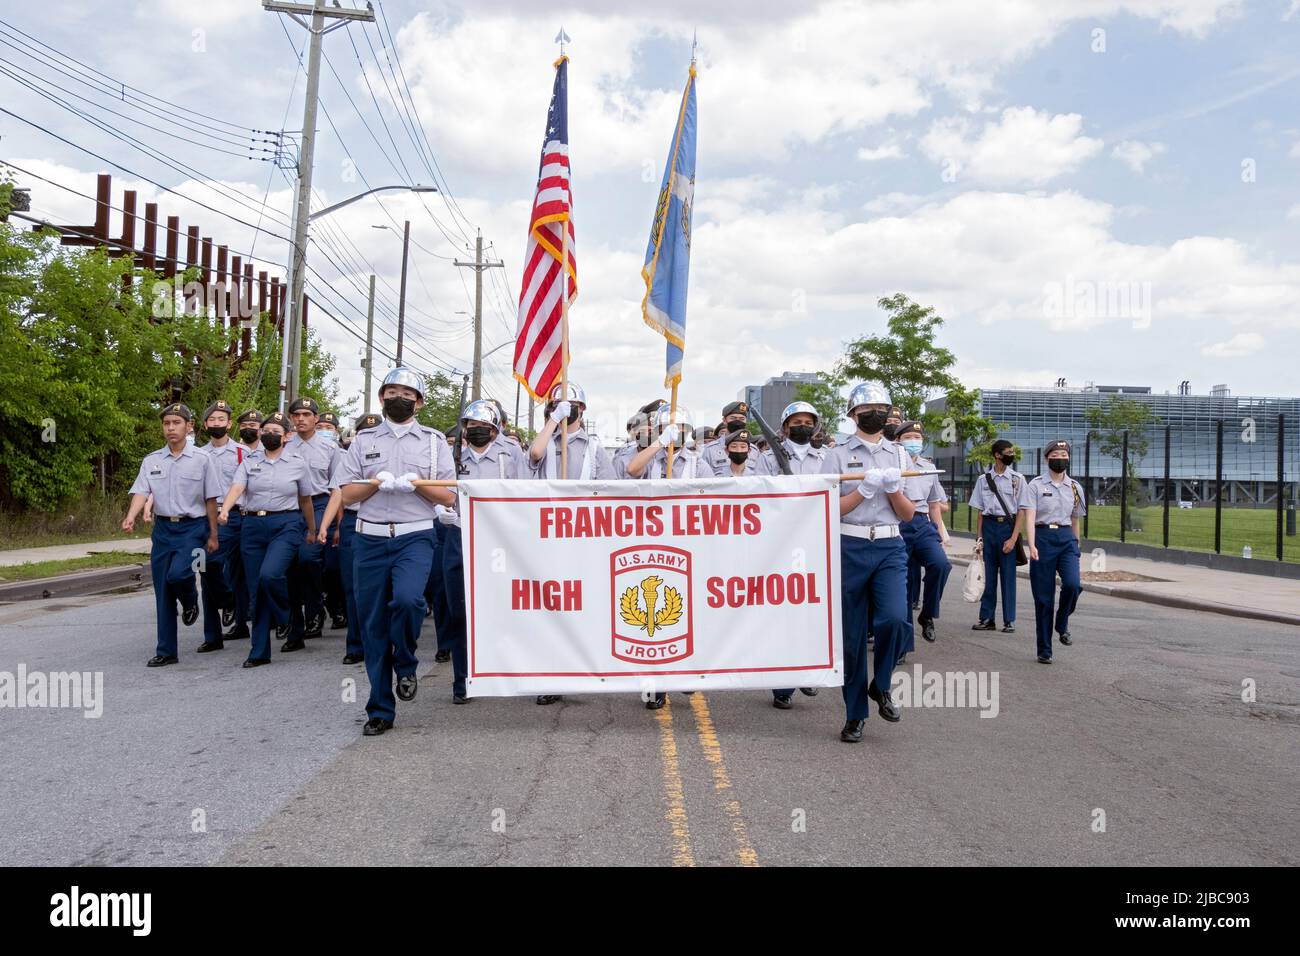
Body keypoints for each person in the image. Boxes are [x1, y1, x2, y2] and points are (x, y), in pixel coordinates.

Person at [338, 368, 456, 737]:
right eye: (391, 392)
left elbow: (449, 495)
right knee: (372, 624)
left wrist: (418, 485)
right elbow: (347, 494)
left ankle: (405, 660)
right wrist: (375, 484)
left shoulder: (435, 442)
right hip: (370, 539)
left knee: (408, 602)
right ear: (381, 398)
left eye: (407, 393)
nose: (398, 398)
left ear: (419, 402)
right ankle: (380, 708)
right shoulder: (362, 440)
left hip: (415, 536)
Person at [822, 383, 914, 743]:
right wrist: (863, 491)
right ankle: (855, 713)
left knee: (894, 619)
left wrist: (891, 489)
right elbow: (829, 508)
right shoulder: (837, 454)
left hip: (889, 544)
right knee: (852, 637)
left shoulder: (898, 454)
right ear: (853, 414)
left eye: (882, 407)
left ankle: (883, 684)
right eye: (869, 408)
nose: (877, 413)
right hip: (849, 544)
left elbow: (907, 514)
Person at [527, 382, 616, 705]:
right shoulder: (545, 441)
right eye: (558, 404)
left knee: (584, 605)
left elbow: (611, 491)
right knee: (550, 607)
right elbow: (535, 455)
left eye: (572, 404)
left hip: (583, 534)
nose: (566, 409)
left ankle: (586, 668)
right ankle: (551, 675)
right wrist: (552, 422)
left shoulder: (594, 447)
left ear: (583, 410)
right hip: (547, 534)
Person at [121, 403, 221, 667]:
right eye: (166, 423)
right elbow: (141, 491)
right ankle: (166, 650)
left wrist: (213, 534)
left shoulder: (202, 459)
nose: (171, 428)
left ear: (188, 427)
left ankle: (190, 601)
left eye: (176, 423)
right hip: (163, 529)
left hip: (193, 527)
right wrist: (131, 515)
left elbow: (211, 499)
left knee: (178, 574)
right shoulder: (152, 460)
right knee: (163, 589)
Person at [441, 400, 525, 704]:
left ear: (495, 428)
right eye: (472, 425)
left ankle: (511, 670)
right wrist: (442, 508)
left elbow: (524, 493)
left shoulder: (512, 452)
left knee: (507, 606)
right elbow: (440, 487)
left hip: (499, 537)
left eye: (484, 427)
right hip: (459, 533)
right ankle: (462, 679)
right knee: (459, 610)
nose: (477, 431)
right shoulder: (451, 452)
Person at [217, 411, 317, 667]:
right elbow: (237, 487)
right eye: (266, 430)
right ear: (260, 433)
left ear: (287, 436)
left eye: (276, 431)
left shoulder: (297, 462)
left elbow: (305, 500)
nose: (270, 434)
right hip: (252, 526)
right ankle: (259, 651)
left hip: (285, 524)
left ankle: (286, 618)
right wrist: (226, 509)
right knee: (256, 589)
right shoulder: (249, 462)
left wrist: (312, 529)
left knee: (270, 575)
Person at [764, 401, 829, 708]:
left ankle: (807, 671)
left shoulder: (827, 458)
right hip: (779, 542)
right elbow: (755, 495)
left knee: (812, 611)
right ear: (785, 426)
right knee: (783, 610)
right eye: (797, 421)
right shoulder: (767, 458)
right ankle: (783, 682)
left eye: (808, 421)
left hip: (816, 540)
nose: (803, 425)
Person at [318, 413, 384, 665]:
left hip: (385, 522)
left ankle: (383, 640)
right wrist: (327, 525)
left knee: (381, 587)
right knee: (352, 586)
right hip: (353, 523)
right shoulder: (350, 456)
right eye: (363, 431)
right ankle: (355, 644)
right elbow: (338, 493)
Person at [283, 397, 338, 647]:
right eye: (297, 415)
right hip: (289, 508)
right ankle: (294, 621)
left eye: (306, 414)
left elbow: (338, 488)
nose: (301, 419)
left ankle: (315, 609)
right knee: (291, 565)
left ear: (316, 418)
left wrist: (337, 523)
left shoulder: (330, 449)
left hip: (318, 506)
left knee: (308, 557)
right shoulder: (283, 446)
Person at [1024, 440, 1086, 664]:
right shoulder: (1036, 485)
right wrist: (1031, 544)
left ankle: (1062, 622)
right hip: (1043, 539)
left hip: (1067, 538)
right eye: (1056, 453)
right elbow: (1030, 517)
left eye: (1064, 453)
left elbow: (1075, 518)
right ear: (1047, 458)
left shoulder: (1075, 488)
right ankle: (1044, 650)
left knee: (1073, 584)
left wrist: (1077, 545)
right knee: (1044, 598)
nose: (1061, 457)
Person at [894, 421, 951, 659]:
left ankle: (927, 614)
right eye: (908, 436)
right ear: (898, 440)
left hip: (922, 524)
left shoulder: (929, 467)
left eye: (917, 436)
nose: (913, 440)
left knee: (941, 564)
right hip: (898, 524)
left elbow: (934, 503)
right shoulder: (892, 464)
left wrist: (940, 532)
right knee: (904, 586)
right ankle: (903, 646)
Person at [196, 400, 248, 650]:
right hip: (205, 517)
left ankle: (238, 618)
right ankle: (212, 635)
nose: (217, 423)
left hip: (234, 517)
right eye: (212, 419)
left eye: (222, 419)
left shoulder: (243, 453)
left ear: (229, 423)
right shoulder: (198, 454)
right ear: (205, 424)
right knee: (206, 568)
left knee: (235, 571)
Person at [970, 438, 1026, 633]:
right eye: (1008, 452)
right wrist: (979, 539)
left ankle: (1009, 620)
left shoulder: (1017, 479)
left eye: (1012, 451)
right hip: (989, 527)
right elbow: (979, 512)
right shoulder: (983, 480)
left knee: (1008, 576)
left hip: (1006, 529)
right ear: (997, 455)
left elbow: (1021, 511)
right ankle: (987, 618)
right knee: (989, 576)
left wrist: (1013, 538)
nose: (1011, 455)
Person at [626, 407, 702, 480]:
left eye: (679, 426)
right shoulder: (651, 460)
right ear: (659, 430)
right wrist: (660, 442)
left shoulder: (697, 464)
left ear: (688, 430)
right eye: (667, 427)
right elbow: (632, 470)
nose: (675, 430)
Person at [701, 401, 758, 474]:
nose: (737, 422)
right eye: (733, 418)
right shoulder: (709, 450)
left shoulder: (754, 450)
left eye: (741, 419)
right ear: (724, 420)